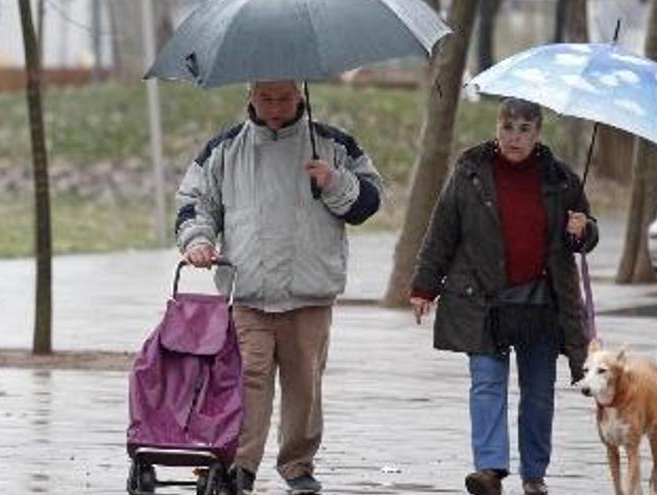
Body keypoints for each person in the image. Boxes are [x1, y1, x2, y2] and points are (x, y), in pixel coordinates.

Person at [176, 80, 382, 494]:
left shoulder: (333, 145)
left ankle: (297, 464)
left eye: (284, 98)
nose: (275, 107)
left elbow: (369, 202)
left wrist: (334, 181)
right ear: (250, 96)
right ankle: (238, 464)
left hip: (310, 293)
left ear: (300, 97)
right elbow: (197, 203)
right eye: (266, 98)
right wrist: (199, 241)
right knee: (247, 380)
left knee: (304, 383)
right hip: (248, 291)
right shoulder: (224, 150)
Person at [409, 98, 598, 495]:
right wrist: (424, 285)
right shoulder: (470, 171)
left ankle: (534, 474)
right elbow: (443, 229)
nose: (515, 137)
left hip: (542, 303)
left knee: (538, 392)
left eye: (525, 129)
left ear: (538, 134)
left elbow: (582, 237)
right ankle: (490, 469)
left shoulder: (562, 180)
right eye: (508, 127)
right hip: (482, 297)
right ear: (497, 128)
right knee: (486, 384)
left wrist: (584, 228)